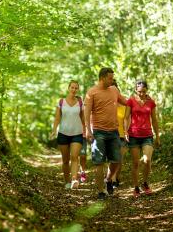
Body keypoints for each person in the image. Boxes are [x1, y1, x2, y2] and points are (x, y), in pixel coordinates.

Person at [84, 68, 127, 200]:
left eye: (112, 78)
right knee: (99, 163)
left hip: (114, 131)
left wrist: (141, 100)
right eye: (110, 78)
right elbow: (86, 113)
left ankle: (108, 179)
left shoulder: (114, 90)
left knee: (116, 160)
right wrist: (88, 130)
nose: (112, 80)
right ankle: (101, 191)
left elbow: (126, 102)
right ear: (102, 78)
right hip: (98, 132)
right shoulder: (92, 92)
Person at [124, 80, 161, 197]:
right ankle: (136, 187)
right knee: (135, 163)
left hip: (147, 135)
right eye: (139, 91)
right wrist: (125, 131)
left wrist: (157, 136)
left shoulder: (151, 102)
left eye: (144, 91)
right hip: (133, 135)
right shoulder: (130, 101)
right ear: (136, 90)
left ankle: (145, 183)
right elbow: (126, 117)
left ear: (147, 90)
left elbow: (154, 120)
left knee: (147, 160)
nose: (141, 94)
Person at [51, 80, 86, 189]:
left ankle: (74, 180)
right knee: (65, 160)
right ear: (68, 88)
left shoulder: (80, 103)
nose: (74, 90)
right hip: (63, 133)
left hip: (77, 133)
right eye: (72, 87)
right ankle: (67, 181)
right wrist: (54, 130)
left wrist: (86, 130)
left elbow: (83, 118)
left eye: (76, 88)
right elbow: (57, 118)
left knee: (75, 157)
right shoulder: (61, 102)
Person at [106, 79, 127, 188]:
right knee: (112, 159)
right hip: (110, 135)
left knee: (119, 160)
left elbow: (128, 120)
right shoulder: (106, 104)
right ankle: (112, 180)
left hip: (122, 136)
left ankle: (115, 177)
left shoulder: (125, 105)